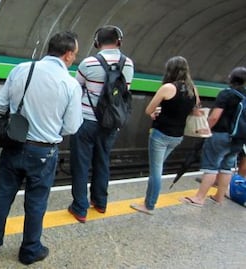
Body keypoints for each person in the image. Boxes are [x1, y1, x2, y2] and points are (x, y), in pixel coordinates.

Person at [0, 31, 83, 265]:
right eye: (75, 55)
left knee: (4, 194)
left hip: (14, 145)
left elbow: (0, 105)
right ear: (67, 55)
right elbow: (72, 126)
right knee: (36, 202)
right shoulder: (70, 84)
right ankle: (29, 250)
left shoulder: (22, 69)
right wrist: (49, 129)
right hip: (44, 152)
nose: (74, 59)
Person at [68, 25, 134, 223]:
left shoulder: (88, 63)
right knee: (102, 160)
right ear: (119, 41)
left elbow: (75, 88)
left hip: (86, 121)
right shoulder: (128, 64)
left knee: (81, 164)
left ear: (97, 42)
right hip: (111, 123)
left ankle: (80, 208)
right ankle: (100, 202)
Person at [129, 56, 199, 215]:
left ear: (170, 70)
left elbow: (149, 110)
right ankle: (149, 200)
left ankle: (149, 205)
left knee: (156, 171)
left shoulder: (168, 87)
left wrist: (158, 112)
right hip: (177, 137)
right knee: (158, 167)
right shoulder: (193, 89)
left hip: (161, 135)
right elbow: (195, 111)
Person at [181, 67, 246, 206]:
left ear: (231, 78)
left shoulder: (226, 94)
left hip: (220, 135)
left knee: (211, 166)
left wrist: (206, 130)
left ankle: (199, 198)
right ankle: (219, 197)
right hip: (238, 139)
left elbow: (215, 117)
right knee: (227, 167)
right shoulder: (244, 96)